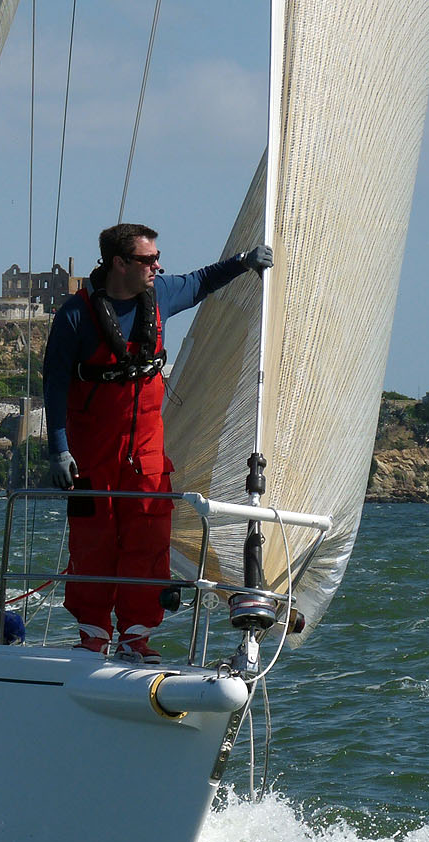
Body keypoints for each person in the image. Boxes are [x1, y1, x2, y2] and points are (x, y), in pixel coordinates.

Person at [42, 223, 272, 663]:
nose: (157, 266)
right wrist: (59, 449)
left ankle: (135, 636)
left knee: (148, 544)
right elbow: (54, 384)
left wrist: (244, 262)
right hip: (92, 456)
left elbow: (202, 281)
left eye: (156, 258)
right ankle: (93, 634)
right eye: (148, 259)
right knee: (93, 545)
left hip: (146, 457)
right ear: (119, 263)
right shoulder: (75, 315)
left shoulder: (161, 294)